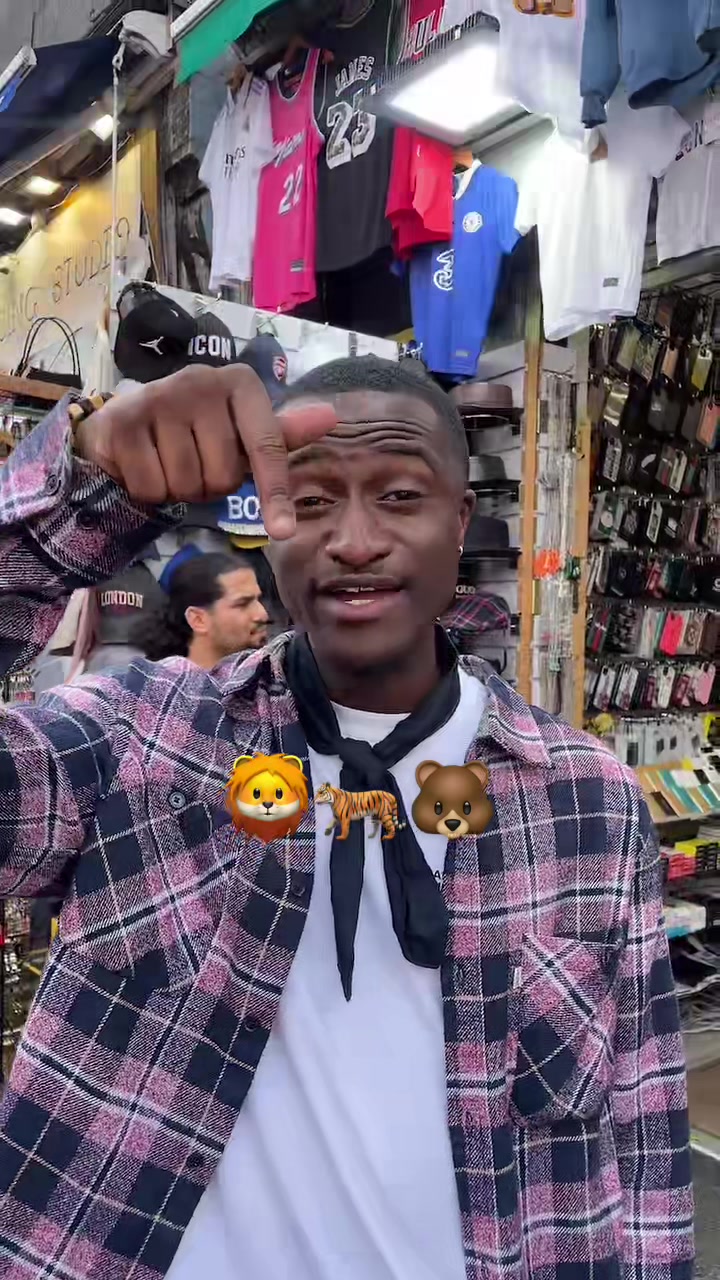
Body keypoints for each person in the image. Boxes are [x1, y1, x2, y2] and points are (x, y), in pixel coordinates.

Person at [0, 359, 693, 1280]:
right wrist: (77, 499)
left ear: (459, 521)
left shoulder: (588, 799)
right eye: (313, 499)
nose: (355, 541)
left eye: (399, 496)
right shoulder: (145, 741)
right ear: (269, 522)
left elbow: (641, 1129)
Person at [132, 551, 269, 667]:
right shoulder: (157, 687)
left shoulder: (272, 681)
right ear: (198, 620)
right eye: (243, 604)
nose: (262, 614)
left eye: (258, 600)